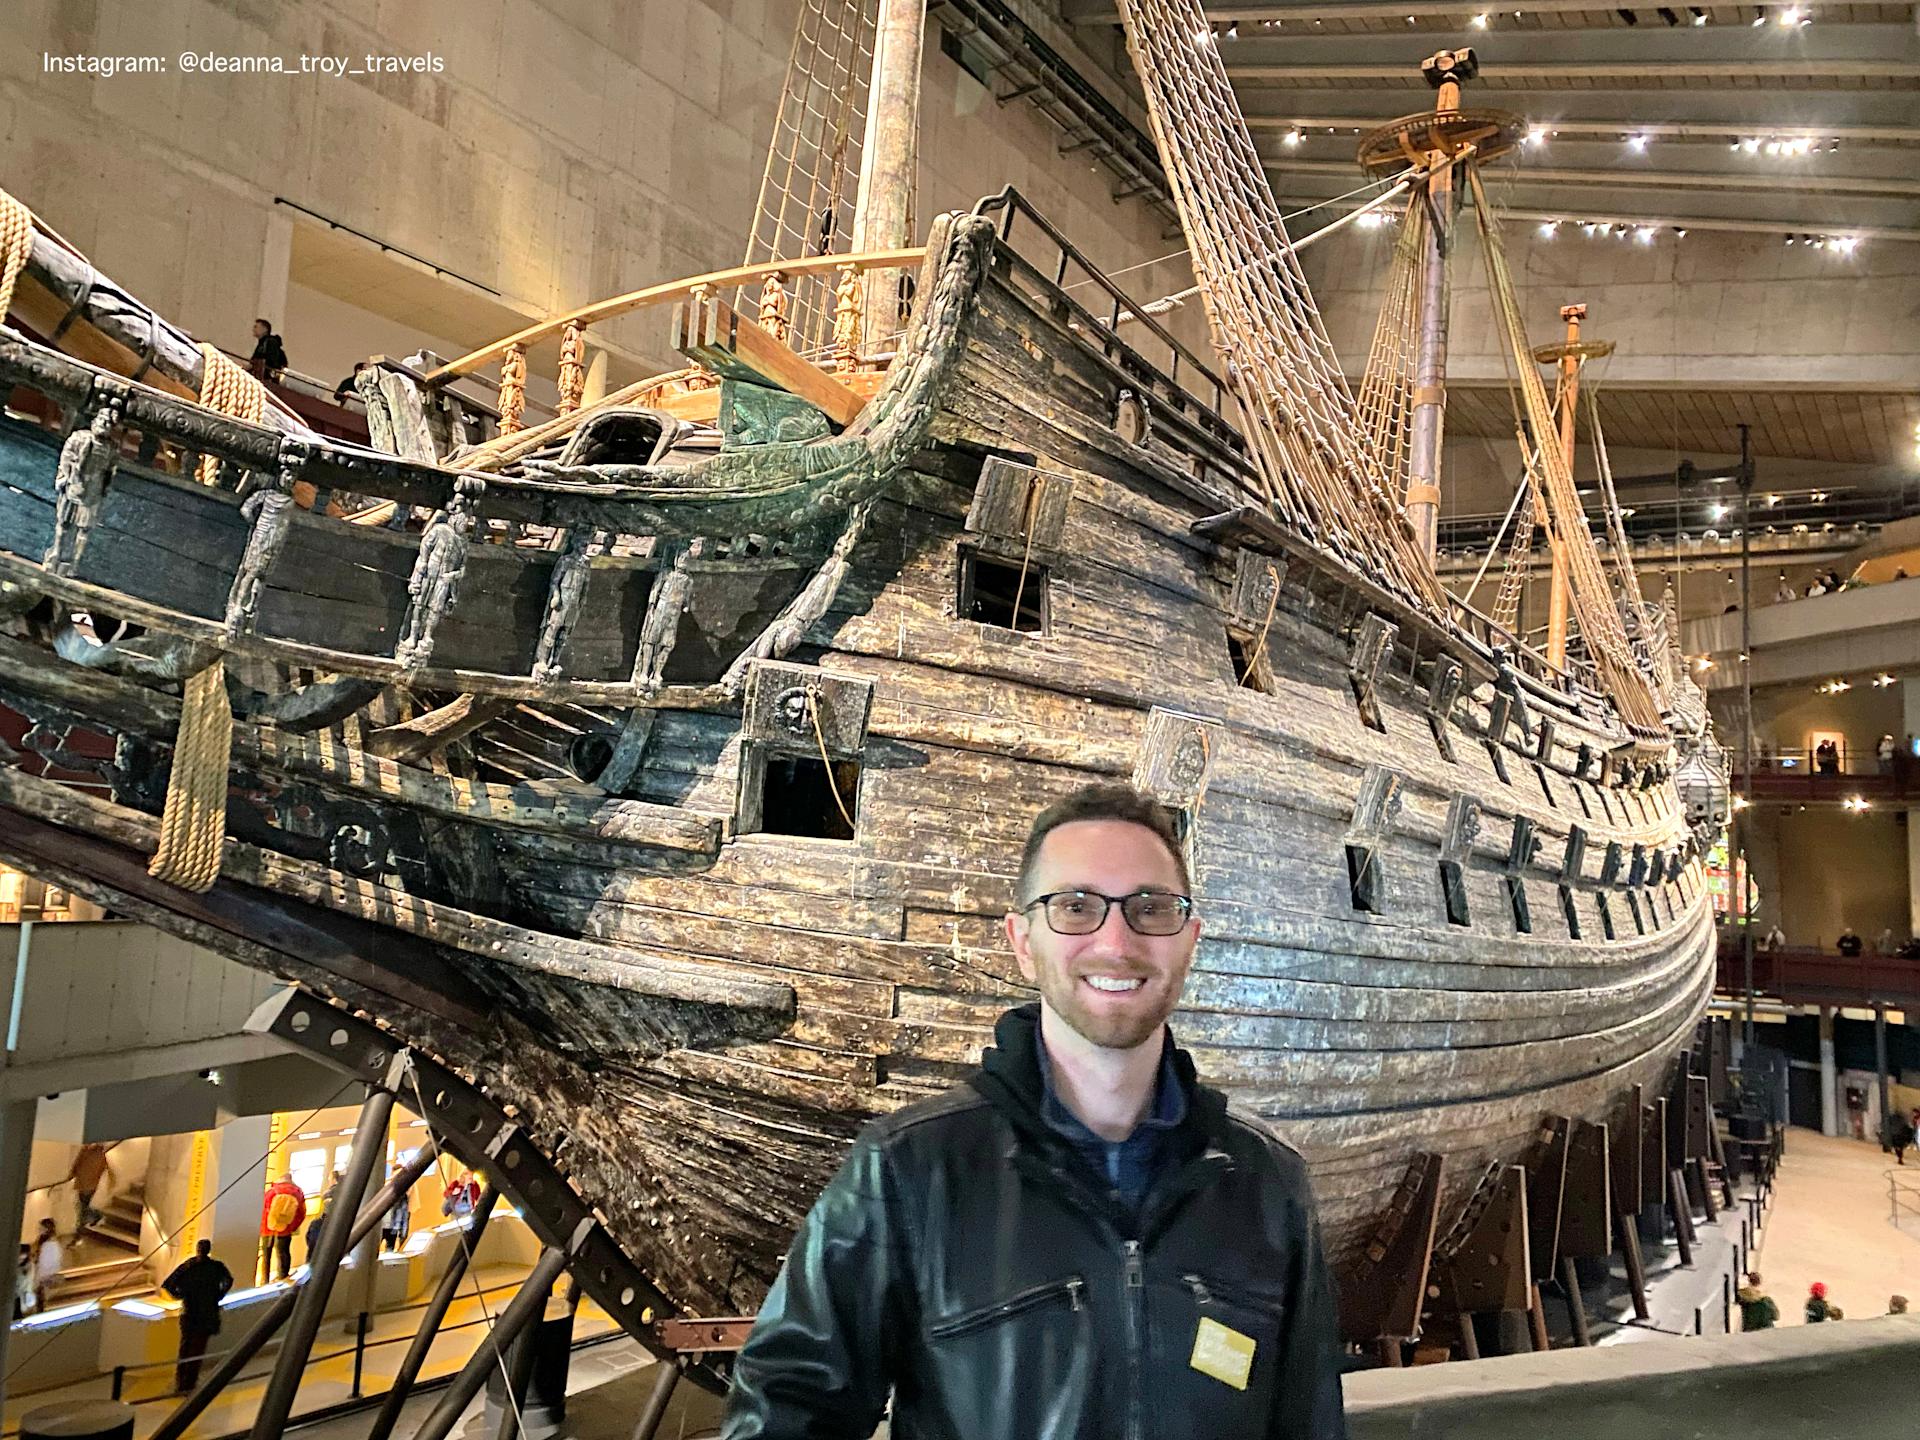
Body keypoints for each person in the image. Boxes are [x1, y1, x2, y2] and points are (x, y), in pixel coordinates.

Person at [724, 784, 1347, 1440]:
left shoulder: (1268, 1187)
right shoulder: (908, 1172)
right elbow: (782, 1417)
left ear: (1188, 940)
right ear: (1023, 941)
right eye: (1075, 907)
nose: (1115, 940)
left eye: (1150, 908)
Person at [161, 1239, 233, 1392]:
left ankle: (181, 1382)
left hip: (190, 1312)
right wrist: (219, 1295)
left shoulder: (188, 1267)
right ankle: (189, 1383)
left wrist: (180, 1295)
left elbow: (168, 1284)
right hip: (206, 1313)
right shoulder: (215, 1267)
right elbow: (228, 1280)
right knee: (197, 1349)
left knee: (186, 1348)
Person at [260, 1174, 307, 1282]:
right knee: (283, 1253)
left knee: (266, 1255)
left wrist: (263, 1227)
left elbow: (262, 1210)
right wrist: (292, 1227)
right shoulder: (297, 1192)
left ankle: (264, 1280)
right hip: (285, 1229)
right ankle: (283, 1277)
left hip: (268, 1228)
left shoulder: (271, 1191)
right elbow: (301, 1212)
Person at [68, 1141, 113, 1238]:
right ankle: (81, 1228)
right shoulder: (100, 1156)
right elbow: (101, 1170)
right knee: (83, 1206)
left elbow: (78, 1164)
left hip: (85, 1184)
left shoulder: (87, 1152)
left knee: (83, 1206)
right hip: (90, 1184)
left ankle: (86, 1224)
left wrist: (72, 1174)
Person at [31, 1217, 63, 1313]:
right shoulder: (45, 1243)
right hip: (42, 1278)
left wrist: (37, 1280)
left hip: (44, 1280)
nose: (38, 1230)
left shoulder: (49, 1246)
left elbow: (46, 1266)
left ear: (46, 1229)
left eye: (40, 1228)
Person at [381, 1172, 411, 1253]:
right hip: (393, 1227)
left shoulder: (384, 1189)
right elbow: (404, 1215)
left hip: (382, 1226)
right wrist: (403, 1234)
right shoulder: (403, 1194)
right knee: (389, 1251)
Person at [14, 1244, 34, 1321]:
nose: (20, 1260)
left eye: (22, 1258)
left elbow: (26, 1280)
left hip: (23, 1295)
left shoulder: (29, 1266)